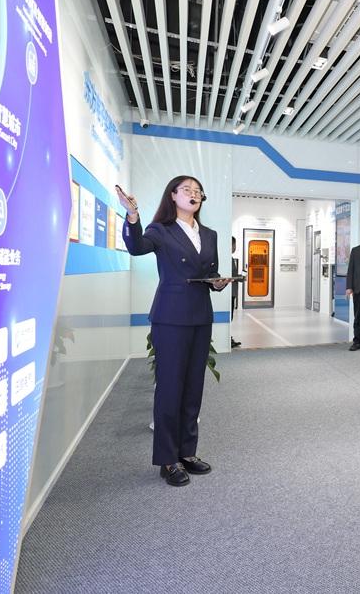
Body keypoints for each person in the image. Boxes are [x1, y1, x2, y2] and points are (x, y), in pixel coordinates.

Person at [118, 176, 230, 487]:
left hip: (200, 316)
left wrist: (217, 282)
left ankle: (187, 452)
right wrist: (132, 215)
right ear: (173, 196)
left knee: (194, 387)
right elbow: (136, 247)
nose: (194, 194)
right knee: (169, 388)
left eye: (198, 191)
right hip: (170, 318)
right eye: (187, 190)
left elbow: (208, 271)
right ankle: (168, 459)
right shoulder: (160, 230)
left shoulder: (209, 234)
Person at [230, 236, 241, 348]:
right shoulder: (228, 259)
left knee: (230, 317)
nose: (235, 247)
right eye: (234, 245)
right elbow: (231, 275)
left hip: (232, 292)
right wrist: (240, 278)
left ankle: (229, 337)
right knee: (229, 317)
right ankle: (228, 339)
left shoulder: (231, 258)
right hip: (230, 292)